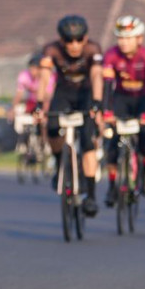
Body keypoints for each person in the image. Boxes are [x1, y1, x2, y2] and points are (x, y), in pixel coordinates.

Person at [36, 15, 106, 216]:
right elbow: (44, 78)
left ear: (86, 38)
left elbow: (96, 76)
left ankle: (90, 196)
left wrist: (97, 102)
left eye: (79, 39)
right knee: (52, 129)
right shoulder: (51, 50)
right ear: (61, 40)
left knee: (87, 142)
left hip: (86, 94)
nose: (74, 45)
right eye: (68, 40)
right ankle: (60, 163)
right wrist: (39, 104)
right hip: (64, 94)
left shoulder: (93, 49)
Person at [100, 15, 145, 205]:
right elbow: (107, 85)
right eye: (120, 38)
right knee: (112, 141)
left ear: (139, 39)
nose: (123, 42)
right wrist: (106, 111)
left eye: (128, 38)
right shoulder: (111, 55)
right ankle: (112, 186)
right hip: (122, 98)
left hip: (143, 98)